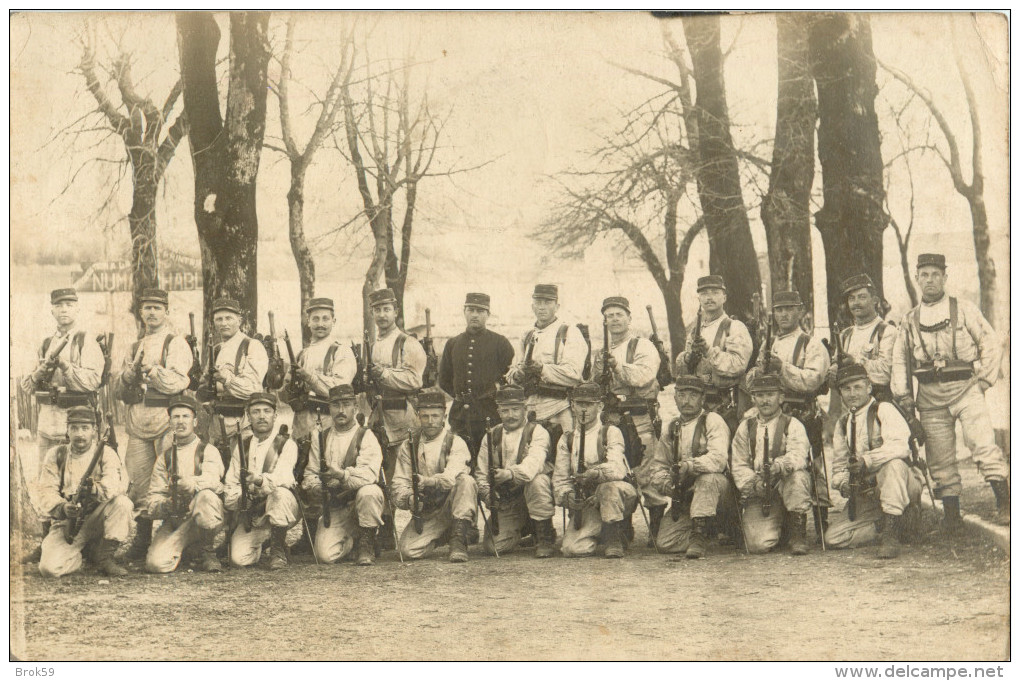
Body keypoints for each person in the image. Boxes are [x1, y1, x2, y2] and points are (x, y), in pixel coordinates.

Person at [891, 253, 1009, 527]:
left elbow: (991, 342)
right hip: (930, 396)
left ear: (945, 277)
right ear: (917, 279)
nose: (930, 280)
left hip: (966, 389)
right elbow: (900, 360)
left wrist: (984, 380)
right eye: (924, 275)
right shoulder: (909, 320)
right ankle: (952, 518)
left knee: (982, 445)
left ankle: (1005, 503)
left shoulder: (964, 309)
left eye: (935, 274)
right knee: (940, 457)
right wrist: (904, 396)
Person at [21, 288, 106, 561]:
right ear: (52, 310)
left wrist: (67, 367)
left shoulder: (85, 341)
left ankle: (89, 543)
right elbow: (26, 386)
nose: (64, 310)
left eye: (70, 304)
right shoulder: (46, 342)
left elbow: (93, 381)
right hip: (48, 422)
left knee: (81, 483)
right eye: (59, 306)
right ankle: (48, 540)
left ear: (77, 308)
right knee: (48, 483)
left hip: (76, 425)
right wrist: (41, 371)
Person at [115, 288, 193, 561]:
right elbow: (118, 390)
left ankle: (178, 537)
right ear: (140, 312)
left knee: (172, 479)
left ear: (166, 312)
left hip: (165, 421)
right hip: (138, 421)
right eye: (147, 308)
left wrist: (153, 370)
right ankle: (142, 538)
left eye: (157, 308)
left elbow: (179, 382)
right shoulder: (134, 346)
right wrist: (127, 375)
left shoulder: (175, 343)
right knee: (139, 482)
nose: (151, 313)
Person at [826, 365, 925, 559]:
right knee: (834, 538)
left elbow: (900, 447)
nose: (852, 393)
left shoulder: (884, 409)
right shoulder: (843, 423)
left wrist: (867, 460)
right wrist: (844, 482)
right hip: (869, 492)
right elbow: (838, 466)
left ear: (869, 387)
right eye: (846, 389)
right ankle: (889, 525)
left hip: (903, 484)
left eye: (857, 387)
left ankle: (891, 537)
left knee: (893, 465)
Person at [758, 289, 832, 537]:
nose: (784, 314)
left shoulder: (812, 344)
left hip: (803, 411)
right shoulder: (769, 343)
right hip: (776, 413)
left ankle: (822, 521)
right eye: (779, 310)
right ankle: (786, 520)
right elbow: (757, 378)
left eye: (790, 309)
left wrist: (782, 368)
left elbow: (813, 380)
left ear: (800, 311)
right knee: (776, 462)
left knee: (814, 464)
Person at [636, 376, 730, 559]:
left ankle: (699, 537)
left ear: (702, 399)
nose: (687, 401)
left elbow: (718, 459)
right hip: (688, 494)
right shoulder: (671, 427)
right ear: (675, 398)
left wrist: (689, 465)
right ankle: (706, 530)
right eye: (682, 395)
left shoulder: (713, 421)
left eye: (693, 396)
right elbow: (659, 465)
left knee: (707, 479)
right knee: (665, 543)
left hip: (718, 493)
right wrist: (669, 485)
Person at [363, 287, 427, 546]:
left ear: (395, 311)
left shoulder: (407, 343)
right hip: (377, 416)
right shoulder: (371, 344)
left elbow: (414, 379)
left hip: (402, 416)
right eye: (377, 310)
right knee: (380, 471)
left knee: (404, 471)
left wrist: (384, 374)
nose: (381, 315)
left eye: (386, 309)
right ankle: (386, 528)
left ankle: (421, 524)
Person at [37, 407, 132, 577]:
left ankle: (105, 558)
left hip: (98, 515)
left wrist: (95, 489)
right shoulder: (56, 455)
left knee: (123, 503)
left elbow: (116, 485)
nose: (80, 434)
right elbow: (45, 491)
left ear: (94, 431)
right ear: (67, 431)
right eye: (74, 428)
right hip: (68, 522)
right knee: (49, 569)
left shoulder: (105, 453)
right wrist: (63, 507)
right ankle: (80, 555)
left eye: (85, 428)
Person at [301, 385, 385, 566]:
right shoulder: (320, 437)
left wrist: (342, 475)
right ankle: (353, 542)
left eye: (346, 405)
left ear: (355, 408)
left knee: (370, 491)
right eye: (335, 405)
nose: (341, 410)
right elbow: (310, 472)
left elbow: (369, 475)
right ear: (329, 408)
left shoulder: (366, 436)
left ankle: (367, 541)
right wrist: (315, 485)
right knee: (325, 556)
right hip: (335, 506)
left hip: (358, 501)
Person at [730, 374, 813, 556]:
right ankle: (780, 527)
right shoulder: (745, 427)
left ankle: (797, 531)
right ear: (753, 398)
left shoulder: (793, 424)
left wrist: (779, 465)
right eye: (759, 395)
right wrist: (753, 483)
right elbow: (739, 464)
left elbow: (799, 455)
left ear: (781, 397)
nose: (765, 401)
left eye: (770, 395)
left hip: (783, 483)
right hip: (760, 489)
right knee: (757, 546)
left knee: (798, 476)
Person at [553, 382, 637, 559]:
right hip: (587, 500)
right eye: (580, 403)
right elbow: (560, 478)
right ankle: (601, 530)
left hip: (613, 494)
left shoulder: (610, 432)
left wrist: (595, 473)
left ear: (599, 406)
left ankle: (614, 536)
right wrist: (568, 496)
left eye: (589, 404)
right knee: (573, 549)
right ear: (572, 405)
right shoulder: (567, 439)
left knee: (610, 488)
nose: (584, 409)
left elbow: (617, 469)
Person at [144, 395, 226, 574]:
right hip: (175, 519)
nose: (181, 422)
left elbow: (214, 482)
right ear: (170, 422)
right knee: (156, 564)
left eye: (186, 416)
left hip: (203, 517)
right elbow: (153, 498)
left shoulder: (208, 451)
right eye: (176, 417)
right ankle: (189, 549)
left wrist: (191, 484)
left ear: (195, 421)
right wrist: (165, 504)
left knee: (206, 495)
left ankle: (207, 551)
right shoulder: (164, 458)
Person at [391, 391, 476, 562]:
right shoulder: (409, 445)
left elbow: (451, 477)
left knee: (466, 481)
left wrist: (428, 481)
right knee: (408, 551)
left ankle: (458, 539)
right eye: (425, 416)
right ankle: (443, 533)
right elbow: (399, 483)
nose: (430, 421)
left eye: (435, 416)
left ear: (444, 416)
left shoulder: (455, 442)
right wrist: (409, 499)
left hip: (451, 502)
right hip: (428, 509)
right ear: (418, 416)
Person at [474, 386, 556, 558]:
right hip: (508, 499)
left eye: (515, 409)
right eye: (505, 410)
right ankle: (525, 526)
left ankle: (544, 535)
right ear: (498, 411)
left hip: (531, 490)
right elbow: (481, 473)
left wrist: (508, 474)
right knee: (493, 547)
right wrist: (488, 495)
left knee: (538, 480)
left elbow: (532, 466)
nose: (510, 415)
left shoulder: (538, 432)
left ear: (525, 409)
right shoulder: (491, 435)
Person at [224, 393, 301, 570]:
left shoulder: (286, 444)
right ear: (248, 416)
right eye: (256, 412)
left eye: (267, 411)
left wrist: (258, 480)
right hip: (254, 512)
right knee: (238, 559)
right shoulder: (241, 446)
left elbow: (283, 477)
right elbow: (231, 483)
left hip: (282, 507)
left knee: (280, 493)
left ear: (275, 415)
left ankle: (278, 549)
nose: (261, 416)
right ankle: (265, 540)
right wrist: (243, 496)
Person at [438, 292, 515, 462]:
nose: (475, 315)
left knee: (489, 459)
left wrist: (492, 393)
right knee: (460, 459)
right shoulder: (453, 343)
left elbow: (509, 377)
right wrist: (463, 397)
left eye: (480, 311)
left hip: (489, 412)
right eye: (471, 310)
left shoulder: (500, 343)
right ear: (464, 311)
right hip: (460, 415)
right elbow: (444, 379)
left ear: (488, 314)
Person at [505, 284, 588, 439]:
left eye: (547, 302)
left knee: (565, 453)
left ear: (557, 306)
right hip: (531, 411)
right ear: (532, 306)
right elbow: (512, 374)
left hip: (560, 409)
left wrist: (541, 369)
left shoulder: (569, 332)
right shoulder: (527, 335)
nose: (542, 307)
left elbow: (574, 373)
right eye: (538, 302)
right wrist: (518, 375)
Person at [673, 275, 753, 432]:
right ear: (699, 298)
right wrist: (689, 359)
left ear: (724, 297)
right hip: (696, 404)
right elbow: (682, 371)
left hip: (725, 404)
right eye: (704, 294)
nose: (709, 298)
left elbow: (738, 365)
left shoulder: (735, 327)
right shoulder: (695, 330)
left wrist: (708, 351)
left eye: (715, 292)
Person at [286, 297, 358, 450]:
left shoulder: (341, 351)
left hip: (329, 425)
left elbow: (338, 389)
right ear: (308, 321)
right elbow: (285, 394)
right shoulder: (301, 355)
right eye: (315, 319)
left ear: (334, 321)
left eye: (325, 319)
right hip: (301, 426)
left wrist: (309, 377)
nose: (320, 324)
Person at [199, 298, 269, 451]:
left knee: (242, 469)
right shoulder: (216, 349)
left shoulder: (252, 346)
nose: (224, 323)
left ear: (239, 320)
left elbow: (252, 388)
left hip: (244, 423)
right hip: (217, 423)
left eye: (228, 318)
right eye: (219, 319)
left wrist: (225, 379)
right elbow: (205, 388)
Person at [826, 274, 895, 402]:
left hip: (878, 404)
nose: (856, 303)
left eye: (862, 297)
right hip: (848, 405)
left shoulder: (886, 332)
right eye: (851, 299)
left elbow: (885, 373)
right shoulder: (845, 335)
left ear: (875, 300)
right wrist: (834, 369)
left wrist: (855, 361)